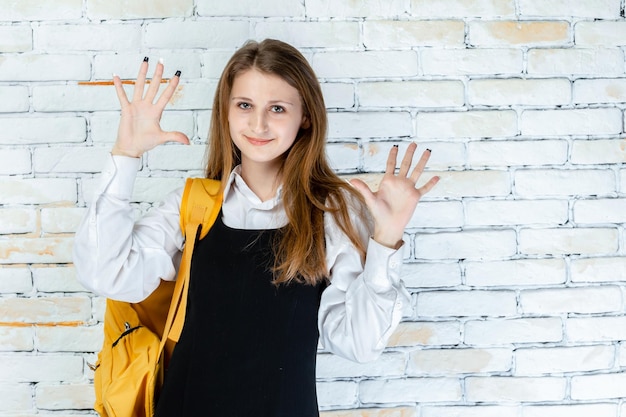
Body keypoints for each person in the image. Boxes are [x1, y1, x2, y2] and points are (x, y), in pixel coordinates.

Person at [73, 39, 439, 416]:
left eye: (277, 108)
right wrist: (126, 154)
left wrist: (386, 238)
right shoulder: (193, 206)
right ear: (227, 113)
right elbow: (106, 272)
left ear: (306, 117)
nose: (258, 123)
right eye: (245, 105)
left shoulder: (331, 214)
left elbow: (358, 344)